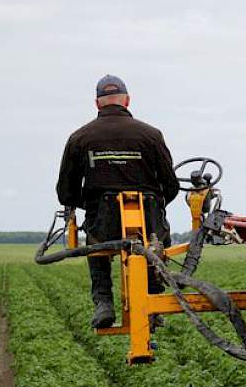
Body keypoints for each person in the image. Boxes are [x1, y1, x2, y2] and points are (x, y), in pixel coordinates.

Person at [55, 75, 179, 328]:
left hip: (103, 222)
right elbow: (171, 186)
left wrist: (91, 203)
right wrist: (155, 203)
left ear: (97, 103)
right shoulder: (151, 135)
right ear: (127, 100)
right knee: (152, 245)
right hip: (150, 220)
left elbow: (65, 193)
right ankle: (153, 301)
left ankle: (103, 303)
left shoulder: (80, 137)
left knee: (97, 247)